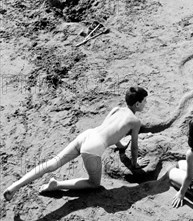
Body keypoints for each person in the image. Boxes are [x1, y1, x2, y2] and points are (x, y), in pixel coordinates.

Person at [3, 86, 148, 201]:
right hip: (93, 147)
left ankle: (15, 186)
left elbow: (111, 131)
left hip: (87, 135)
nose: (145, 104)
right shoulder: (135, 122)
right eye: (144, 101)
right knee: (94, 183)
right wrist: (134, 164)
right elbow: (134, 147)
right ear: (137, 104)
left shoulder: (116, 109)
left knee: (52, 163)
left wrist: (121, 146)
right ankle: (57, 185)